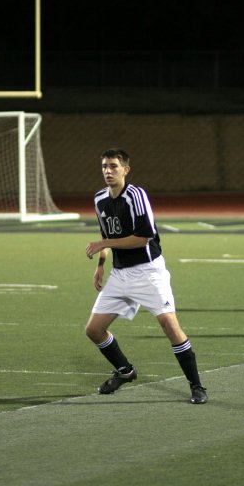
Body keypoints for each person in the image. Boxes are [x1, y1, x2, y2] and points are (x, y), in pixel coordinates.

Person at [84, 148, 208, 404]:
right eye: (105, 166)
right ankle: (125, 371)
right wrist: (101, 263)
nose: (108, 171)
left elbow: (143, 237)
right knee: (94, 330)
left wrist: (102, 243)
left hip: (149, 272)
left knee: (170, 326)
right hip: (120, 275)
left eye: (114, 166)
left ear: (126, 169)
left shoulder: (136, 195)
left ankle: (197, 386)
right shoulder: (99, 199)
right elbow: (107, 234)